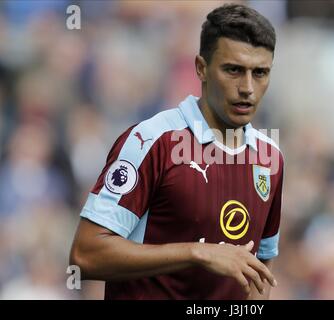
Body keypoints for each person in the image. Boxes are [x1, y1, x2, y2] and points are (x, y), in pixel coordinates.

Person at [70, 3, 284, 300]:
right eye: (233, 70)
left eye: (260, 73)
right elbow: (85, 255)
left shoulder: (269, 158)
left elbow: (261, 266)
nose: (247, 87)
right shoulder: (152, 141)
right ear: (202, 68)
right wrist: (196, 252)